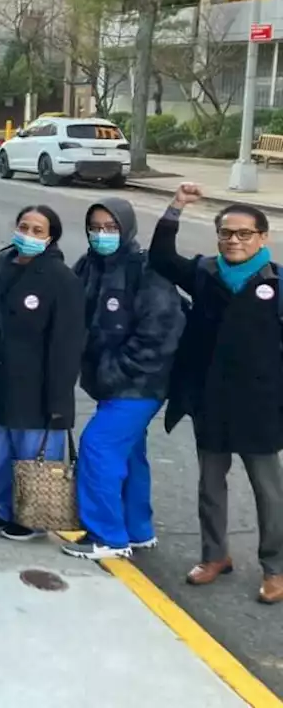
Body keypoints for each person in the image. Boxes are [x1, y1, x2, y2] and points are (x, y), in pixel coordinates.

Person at [150, 183, 283, 603]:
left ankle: (275, 567)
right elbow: (162, 259)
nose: (234, 240)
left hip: (261, 407)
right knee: (210, 485)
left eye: (244, 233)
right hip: (211, 402)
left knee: (268, 491)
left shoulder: (277, 284)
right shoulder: (205, 272)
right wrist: (175, 207)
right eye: (226, 232)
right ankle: (214, 556)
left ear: (263, 238)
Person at [62, 198, 184, 561]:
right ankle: (137, 529)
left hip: (140, 383)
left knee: (98, 446)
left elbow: (160, 332)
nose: (102, 235)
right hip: (109, 382)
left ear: (126, 228)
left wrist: (116, 370)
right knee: (130, 453)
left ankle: (107, 535)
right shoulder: (88, 266)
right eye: (96, 227)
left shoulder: (147, 270)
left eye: (111, 227)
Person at [0, 205, 86, 541]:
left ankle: (32, 518)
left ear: (50, 238)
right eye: (24, 227)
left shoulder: (61, 280)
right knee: (2, 450)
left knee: (33, 453)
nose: (28, 235)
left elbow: (67, 342)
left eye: (38, 231)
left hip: (37, 385)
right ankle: (3, 509)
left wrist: (59, 399)